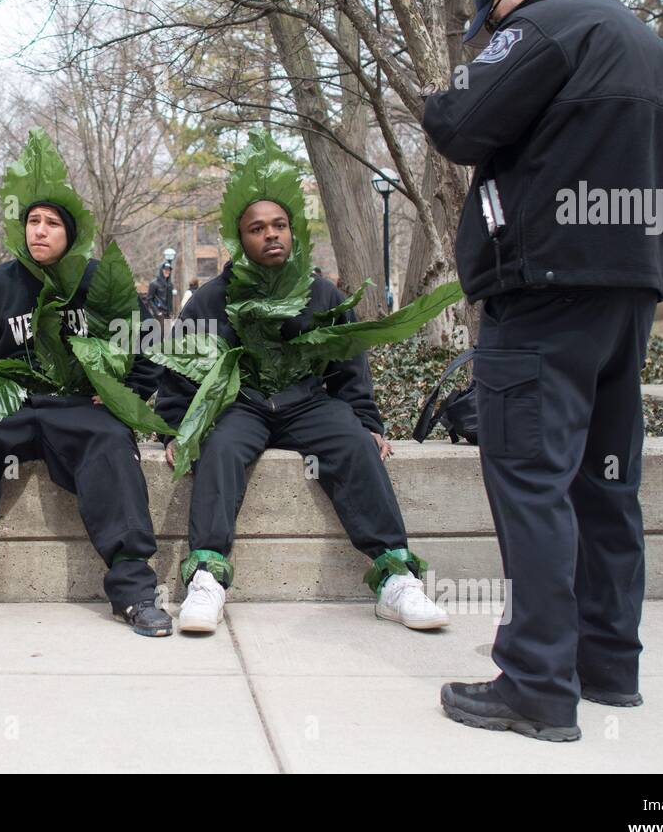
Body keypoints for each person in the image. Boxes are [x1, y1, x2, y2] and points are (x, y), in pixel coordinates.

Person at [421, 0, 663, 741]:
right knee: (604, 484)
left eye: (488, 19)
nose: (490, 31)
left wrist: (459, 84)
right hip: (628, 292)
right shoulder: (657, 51)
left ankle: (537, 681)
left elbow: (456, 120)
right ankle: (609, 662)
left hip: (543, 293)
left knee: (532, 482)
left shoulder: (548, 25)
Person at [154, 132, 449, 634]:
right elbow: (181, 372)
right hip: (241, 406)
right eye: (257, 229)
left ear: (291, 232)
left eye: (279, 225)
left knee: (354, 446)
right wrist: (175, 429)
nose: (271, 235)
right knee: (219, 450)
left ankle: (396, 577)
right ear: (239, 237)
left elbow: (349, 365)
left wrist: (368, 422)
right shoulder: (209, 301)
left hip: (308, 404)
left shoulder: (321, 291)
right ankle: (206, 575)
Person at [0, 130, 173, 637]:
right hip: (15, 406)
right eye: (32, 222)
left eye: (51, 224)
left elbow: (146, 344)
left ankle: (134, 590)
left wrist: (120, 392)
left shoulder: (97, 283)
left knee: (112, 444)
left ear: (71, 233)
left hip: (79, 407)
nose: (40, 231)